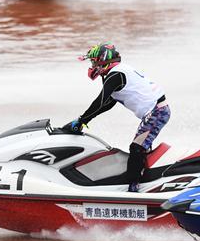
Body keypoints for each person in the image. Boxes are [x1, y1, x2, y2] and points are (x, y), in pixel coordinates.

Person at [63, 43, 170, 192]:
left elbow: (100, 101)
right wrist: (84, 121)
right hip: (155, 111)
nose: (92, 65)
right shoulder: (117, 72)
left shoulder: (116, 75)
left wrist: (82, 120)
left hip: (157, 112)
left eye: (94, 62)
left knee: (137, 148)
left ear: (103, 61)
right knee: (140, 147)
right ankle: (143, 178)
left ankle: (134, 189)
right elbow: (107, 103)